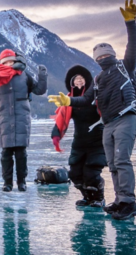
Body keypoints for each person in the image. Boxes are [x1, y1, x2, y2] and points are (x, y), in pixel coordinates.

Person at [49, 0, 136, 220]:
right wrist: (68, 102)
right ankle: (120, 201)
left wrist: (131, 23)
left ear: (111, 54)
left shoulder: (123, 67)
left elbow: (133, 48)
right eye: (98, 56)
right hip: (109, 123)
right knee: (112, 164)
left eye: (105, 54)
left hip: (125, 118)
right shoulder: (99, 79)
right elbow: (86, 100)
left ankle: (129, 202)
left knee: (121, 161)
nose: (102, 58)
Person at [0, 50, 47, 192]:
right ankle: (7, 183)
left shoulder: (24, 76)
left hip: (21, 116)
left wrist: (42, 75)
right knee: (6, 153)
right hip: (5, 117)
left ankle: (21, 182)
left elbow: (39, 90)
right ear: (0, 63)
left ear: (15, 61)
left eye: (11, 61)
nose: (8, 64)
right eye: (5, 62)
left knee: (21, 153)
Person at [51, 65, 106, 208]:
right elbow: (61, 119)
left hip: (97, 141)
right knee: (75, 174)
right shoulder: (68, 99)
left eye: (81, 78)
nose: (79, 81)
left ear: (87, 80)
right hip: (79, 142)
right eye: (76, 79)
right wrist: (56, 136)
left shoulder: (95, 96)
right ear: (71, 82)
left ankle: (98, 198)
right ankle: (87, 198)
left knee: (91, 173)